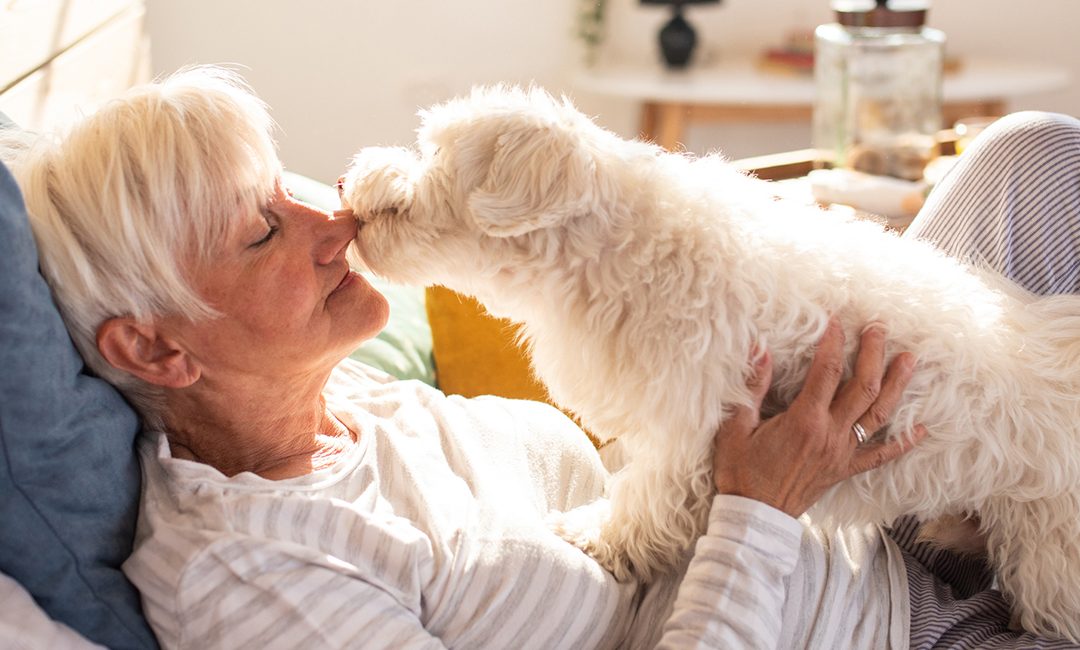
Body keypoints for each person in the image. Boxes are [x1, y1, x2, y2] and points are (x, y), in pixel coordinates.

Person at [2, 65, 1076, 648]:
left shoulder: (354, 399)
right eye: (261, 230)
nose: (330, 215)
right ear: (154, 344)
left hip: (884, 488)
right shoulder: (252, 570)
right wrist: (762, 507)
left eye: (287, 182)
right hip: (881, 616)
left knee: (1033, 158)